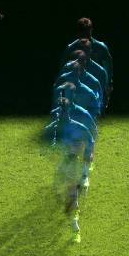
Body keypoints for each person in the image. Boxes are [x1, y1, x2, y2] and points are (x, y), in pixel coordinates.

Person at [46, 92, 96, 243]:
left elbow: (90, 140)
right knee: (59, 192)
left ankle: (75, 230)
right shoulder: (56, 126)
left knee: (70, 196)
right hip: (64, 163)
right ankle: (76, 199)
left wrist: (80, 151)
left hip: (73, 163)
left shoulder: (76, 126)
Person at [62, 18, 112, 88]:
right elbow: (64, 69)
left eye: (87, 36)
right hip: (75, 88)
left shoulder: (101, 47)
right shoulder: (70, 48)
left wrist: (108, 84)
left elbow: (108, 68)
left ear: (91, 30)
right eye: (83, 36)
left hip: (96, 87)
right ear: (78, 33)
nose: (85, 40)